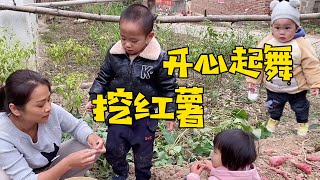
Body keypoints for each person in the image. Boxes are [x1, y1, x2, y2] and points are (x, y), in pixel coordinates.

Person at [85, 4, 177, 180]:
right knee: (114, 148)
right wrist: (95, 97)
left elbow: (169, 87)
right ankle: (121, 173)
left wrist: (170, 113)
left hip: (145, 115)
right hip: (119, 110)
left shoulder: (160, 59)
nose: (127, 44)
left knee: (143, 154)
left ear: (149, 37)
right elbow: (103, 77)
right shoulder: (115, 54)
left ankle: (143, 176)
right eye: (123, 38)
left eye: (134, 41)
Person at [0, 69, 106, 180]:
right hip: (21, 176)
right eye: (40, 105)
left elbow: (76, 126)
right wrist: (67, 164)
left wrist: (91, 137)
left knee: (90, 146)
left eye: (49, 99)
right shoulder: (3, 135)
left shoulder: (51, 111)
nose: (48, 108)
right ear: (15, 109)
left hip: (49, 165)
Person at [246, 0, 320, 136]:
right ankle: (273, 120)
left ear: (296, 27)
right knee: (273, 106)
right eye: (277, 28)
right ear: (272, 27)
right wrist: (253, 80)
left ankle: (302, 124)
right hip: (274, 86)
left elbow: (312, 65)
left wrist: (315, 83)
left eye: (287, 28)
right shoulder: (267, 42)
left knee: (300, 107)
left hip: (296, 88)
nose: (281, 32)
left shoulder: (301, 44)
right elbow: (257, 61)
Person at [186, 129, 261, 180]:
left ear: (228, 159)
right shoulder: (251, 172)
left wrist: (193, 175)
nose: (212, 154)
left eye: (215, 152)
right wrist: (213, 170)